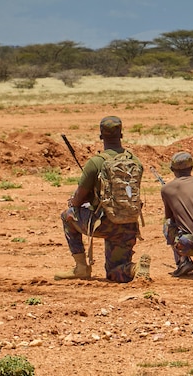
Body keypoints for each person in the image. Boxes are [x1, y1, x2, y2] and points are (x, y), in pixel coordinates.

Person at [58, 115, 144, 282]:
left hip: (104, 223)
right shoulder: (135, 161)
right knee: (115, 273)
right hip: (128, 225)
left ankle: (81, 268)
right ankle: (135, 268)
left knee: (67, 215)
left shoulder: (96, 162)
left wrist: (77, 201)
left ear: (101, 136)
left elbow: (78, 199)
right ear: (121, 135)